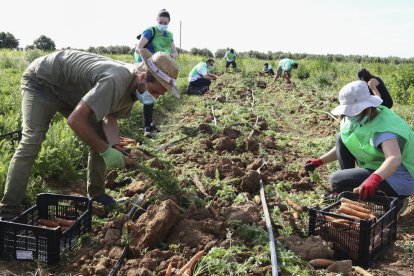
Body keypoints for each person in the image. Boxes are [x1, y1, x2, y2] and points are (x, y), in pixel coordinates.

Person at [0, 49, 179, 220]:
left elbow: (110, 119)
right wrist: (105, 151)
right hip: (43, 81)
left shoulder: (132, 92)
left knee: (100, 137)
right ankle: (8, 210)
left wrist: (115, 146)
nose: (155, 98)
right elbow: (75, 121)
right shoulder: (116, 81)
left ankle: (97, 194)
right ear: (142, 77)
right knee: (32, 141)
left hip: (71, 90)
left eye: (159, 95)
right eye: (155, 91)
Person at [304, 80, 412, 217]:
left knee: (337, 180)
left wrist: (374, 179)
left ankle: (396, 201)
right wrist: (319, 161)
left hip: (399, 176)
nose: (350, 115)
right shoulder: (357, 119)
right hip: (379, 165)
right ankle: (350, 188)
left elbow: (394, 158)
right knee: (340, 139)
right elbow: (347, 143)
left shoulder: (383, 127)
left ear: (366, 107)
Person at [134, 9, 179, 137]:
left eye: (165, 22)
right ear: (157, 20)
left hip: (160, 67)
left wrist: (167, 57)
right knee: (148, 93)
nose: (162, 24)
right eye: (160, 21)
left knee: (153, 93)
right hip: (146, 63)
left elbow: (175, 53)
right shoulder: (150, 31)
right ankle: (147, 128)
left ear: (169, 22)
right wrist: (152, 58)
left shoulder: (169, 35)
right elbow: (138, 48)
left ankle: (150, 123)